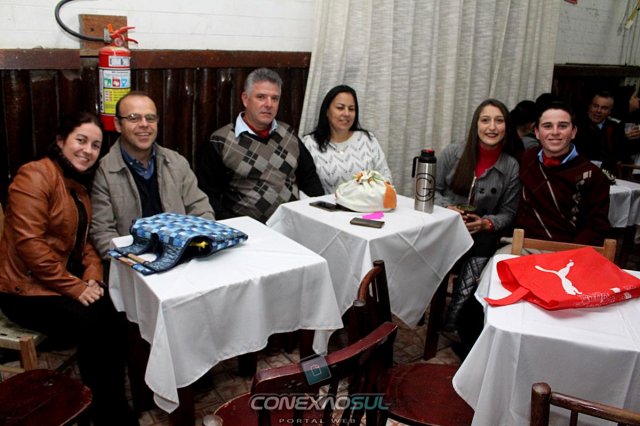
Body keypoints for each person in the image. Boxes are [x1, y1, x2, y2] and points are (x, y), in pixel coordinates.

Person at [0, 112, 138, 425]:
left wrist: (93, 278)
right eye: (81, 140)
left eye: (95, 145)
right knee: (95, 322)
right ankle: (108, 414)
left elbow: (84, 244)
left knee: (115, 310)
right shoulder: (34, 175)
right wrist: (76, 288)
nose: (88, 150)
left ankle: (107, 405)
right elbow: (30, 246)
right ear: (61, 141)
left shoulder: (77, 187)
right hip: (22, 291)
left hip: (54, 281)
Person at [90, 91, 214, 258]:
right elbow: (102, 232)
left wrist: (194, 249)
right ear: (118, 125)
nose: (144, 124)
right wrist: (134, 261)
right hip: (132, 261)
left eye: (150, 118)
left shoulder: (176, 162)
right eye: (134, 118)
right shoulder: (104, 170)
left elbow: (201, 211)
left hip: (183, 255)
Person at [435, 99, 520, 341]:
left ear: (506, 127)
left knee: (484, 242)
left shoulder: (511, 166)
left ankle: (457, 311)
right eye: (485, 120)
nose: (492, 127)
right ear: (476, 125)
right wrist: (448, 208)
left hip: (480, 233)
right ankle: (425, 305)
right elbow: (431, 192)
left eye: (499, 121)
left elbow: (509, 212)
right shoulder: (453, 153)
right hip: (446, 227)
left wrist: (486, 223)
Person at [196, 68, 324, 222]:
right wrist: (234, 227)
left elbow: (309, 179)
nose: (269, 104)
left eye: (274, 98)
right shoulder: (219, 142)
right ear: (245, 99)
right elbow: (208, 196)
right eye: (261, 97)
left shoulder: (289, 134)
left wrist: (319, 216)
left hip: (291, 226)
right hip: (245, 230)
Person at [517, 101, 611, 245]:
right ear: (536, 132)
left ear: (573, 132)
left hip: (567, 249)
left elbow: (595, 227)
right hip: (523, 245)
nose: (555, 132)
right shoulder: (525, 160)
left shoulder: (593, 175)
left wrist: (569, 254)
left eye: (562, 126)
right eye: (547, 126)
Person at [302, 85, 392, 194]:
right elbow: (303, 187)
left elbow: (385, 176)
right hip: (328, 205)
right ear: (327, 111)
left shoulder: (367, 139)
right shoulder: (309, 143)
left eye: (351, 109)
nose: (346, 113)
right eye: (340, 108)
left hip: (368, 204)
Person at [573, 90, 627, 172]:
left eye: (604, 108)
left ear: (610, 111)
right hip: (582, 170)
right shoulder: (577, 126)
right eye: (595, 106)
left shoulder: (616, 127)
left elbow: (621, 153)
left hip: (609, 172)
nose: (598, 111)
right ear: (590, 107)